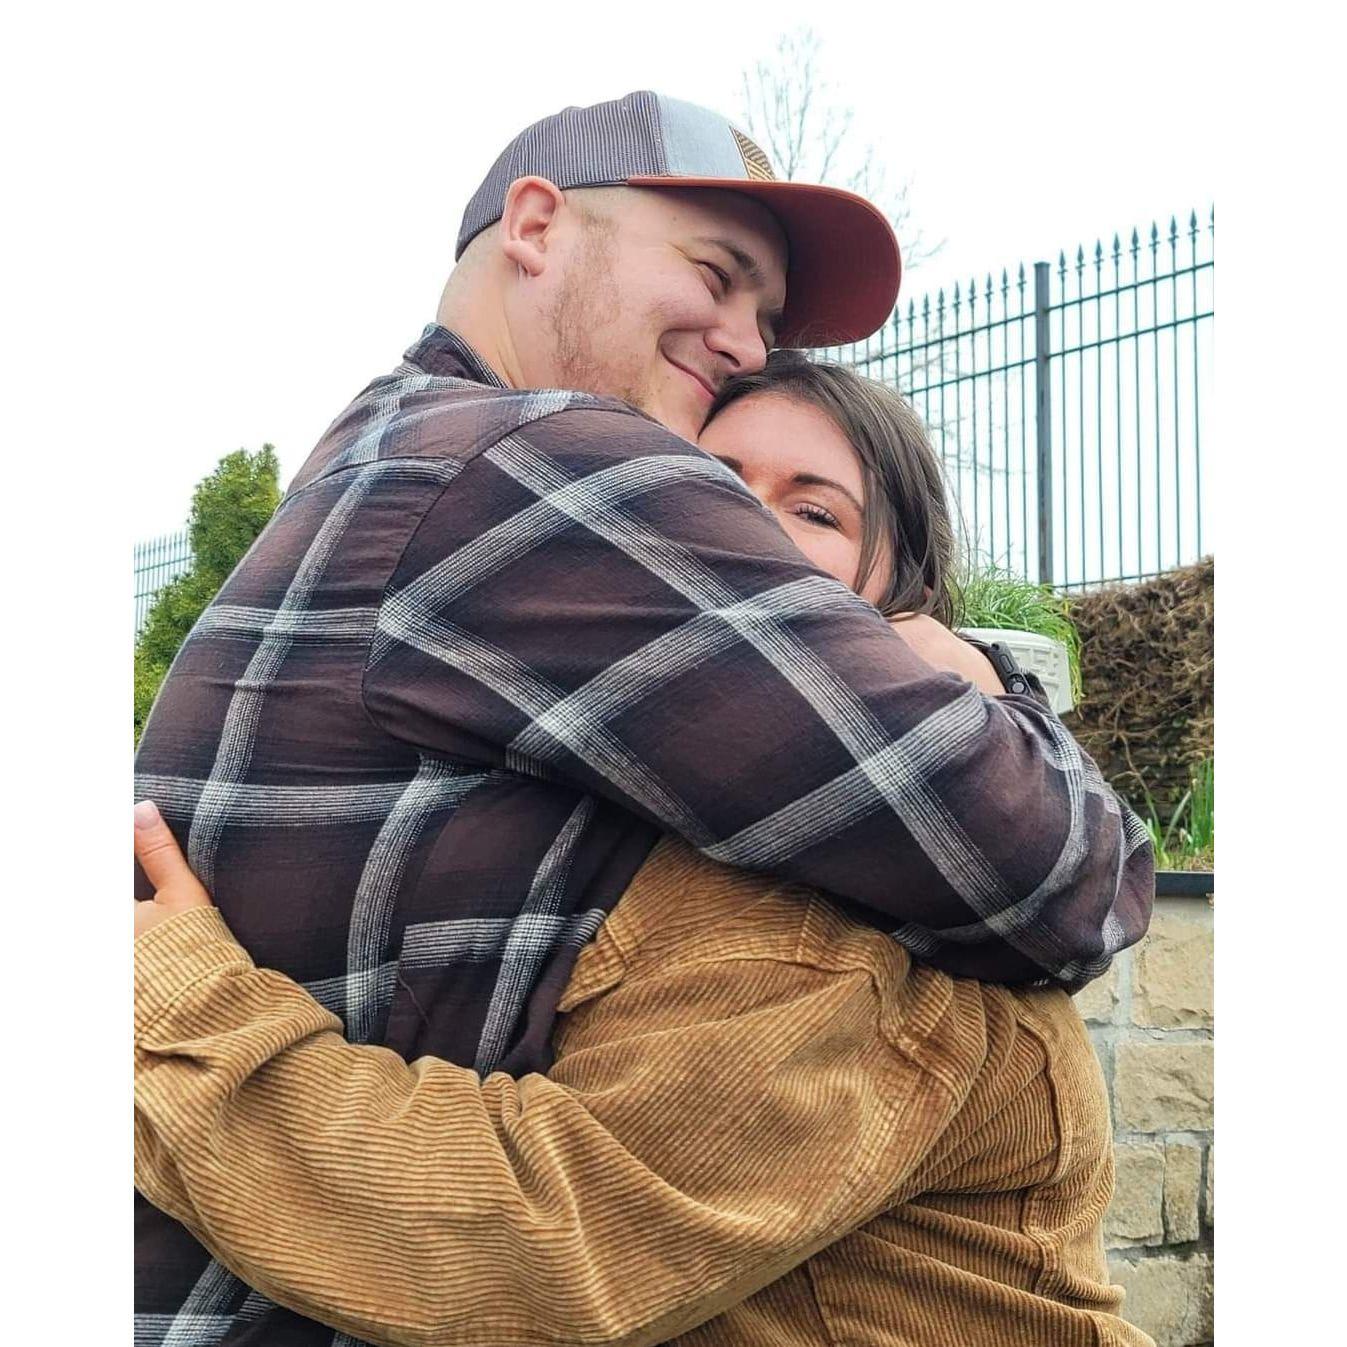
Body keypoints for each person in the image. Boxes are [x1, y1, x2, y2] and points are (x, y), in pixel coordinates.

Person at [133, 91, 1153, 1345]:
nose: (740, 337)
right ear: (537, 224)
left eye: (813, 514)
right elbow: (1055, 868)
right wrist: (1007, 702)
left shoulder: (374, 463)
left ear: (896, 595)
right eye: (717, 276)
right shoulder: (549, 468)